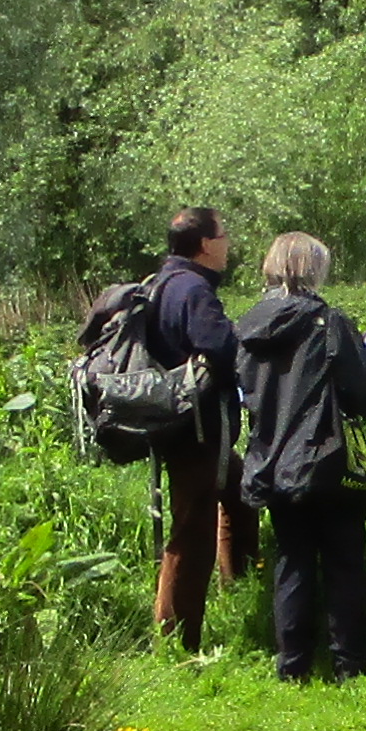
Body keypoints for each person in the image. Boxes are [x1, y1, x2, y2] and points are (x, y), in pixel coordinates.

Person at [230, 230, 366, 683]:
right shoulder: (328, 322)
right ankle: (349, 664)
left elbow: (244, 392)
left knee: (291, 560)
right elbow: (361, 396)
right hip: (325, 456)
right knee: (343, 561)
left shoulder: (248, 326)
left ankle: (293, 666)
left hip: (272, 458)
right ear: (312, 269)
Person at [138, 207, 264, 657]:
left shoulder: (163, 282)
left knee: (242, 491)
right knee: (192, 533)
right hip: (195, 430)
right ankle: (175, 641)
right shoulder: (194, 290)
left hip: (178, 425)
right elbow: (220, 348)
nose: (229, 244)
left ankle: (243, 588)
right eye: (225, 236)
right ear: (206, 245)